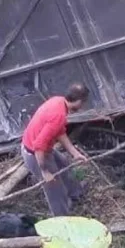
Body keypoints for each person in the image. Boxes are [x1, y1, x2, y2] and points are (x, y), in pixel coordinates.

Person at [21, 83, 90, 217]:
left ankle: (76, 193)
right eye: (83, 103)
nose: (82, 107)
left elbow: (60, 132)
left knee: (63, 163)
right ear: (80, 101)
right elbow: (39, 146)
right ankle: (62, 219)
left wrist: (75, 153)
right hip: (35, 153)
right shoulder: (58, 115)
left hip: (42, 148)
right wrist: (45, 171)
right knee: (55, 188)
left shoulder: (58, 101)